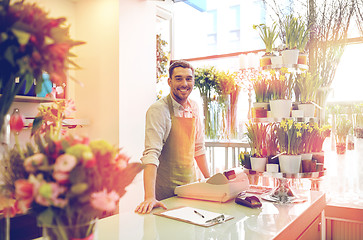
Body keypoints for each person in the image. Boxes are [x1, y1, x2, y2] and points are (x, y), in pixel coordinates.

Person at [135, 60, 210, 214]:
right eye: (179, 78)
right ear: (169, 81)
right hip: (166, 196)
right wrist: (149, 197)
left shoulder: (194, 107)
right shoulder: (158, 110)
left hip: (191, 191)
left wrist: (210, 181)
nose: (184, 83)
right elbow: (151, 155)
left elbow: (198, 148)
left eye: (189, 78)